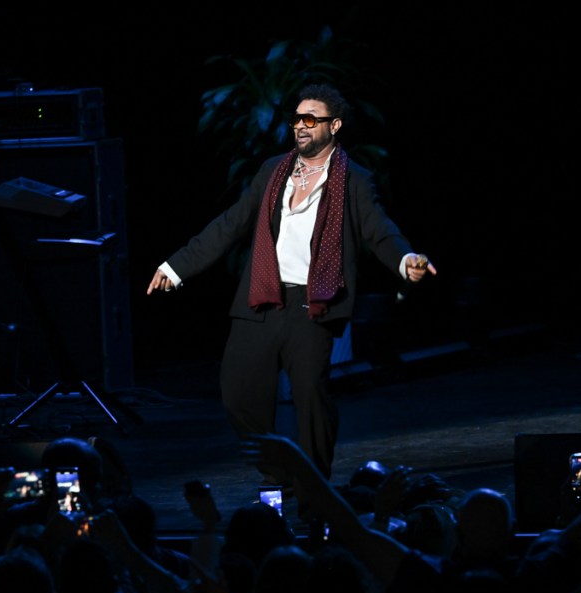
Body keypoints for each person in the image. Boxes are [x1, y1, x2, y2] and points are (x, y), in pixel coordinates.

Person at [146, 83, 436, 479]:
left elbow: (378, 229)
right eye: (297, 118)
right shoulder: (273, 171)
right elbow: (230, 225)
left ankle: (314, 487)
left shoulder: (354, 181)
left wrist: (405, 258)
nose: (301, 126)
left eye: (311, 119)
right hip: (262, 298)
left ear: (333, 126)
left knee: (310, 398)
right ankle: (279, 473)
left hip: (311, 307)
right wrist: (176, 267)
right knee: (237, 395)